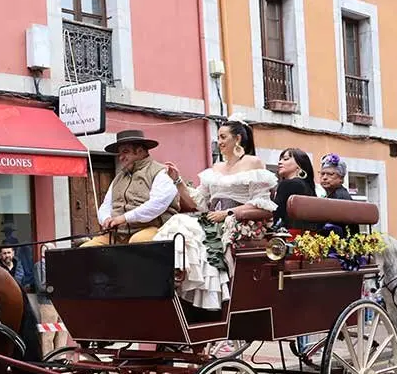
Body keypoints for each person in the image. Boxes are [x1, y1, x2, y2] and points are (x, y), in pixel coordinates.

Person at [158, 118, 278, 310]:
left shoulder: (253, 163)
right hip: (211, 219)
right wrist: (177, 180)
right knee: (177, 222)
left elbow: (264, 207)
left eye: (223, 137)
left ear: (237, 138)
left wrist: (228, 213)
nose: (219, 142)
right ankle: (178, 272)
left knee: (190, 230)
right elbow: (196, 204)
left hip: (236, 220)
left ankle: (196, 286)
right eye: (218, 137)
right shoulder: (215, 168)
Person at [81, 130, 179, 247]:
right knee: (86, 248)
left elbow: (156, 205)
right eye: (120, 154)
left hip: (154, 228)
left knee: (136, 243)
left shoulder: (160, 172)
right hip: (119, 234)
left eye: (125, 152)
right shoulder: (119, 178)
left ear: (140, 151)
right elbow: (106, 205)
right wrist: (106, 219)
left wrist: (123, 218)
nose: (121, 157)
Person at [273, 148, 318, 231]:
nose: (280, 162)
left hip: (290, 236)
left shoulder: (288, 184)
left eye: (285, 159)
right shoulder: (308, 186)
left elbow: (274, 213)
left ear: (299, 165)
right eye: (280, 159)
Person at [35, 242, 67, 356]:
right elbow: (41, 286)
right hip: (47, 303)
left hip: (61, 302)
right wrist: (59, 286)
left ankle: (60, 357)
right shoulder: (39, 266)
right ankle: (48, 359)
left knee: (62, 332)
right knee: (48, 334)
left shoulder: (59, 266)